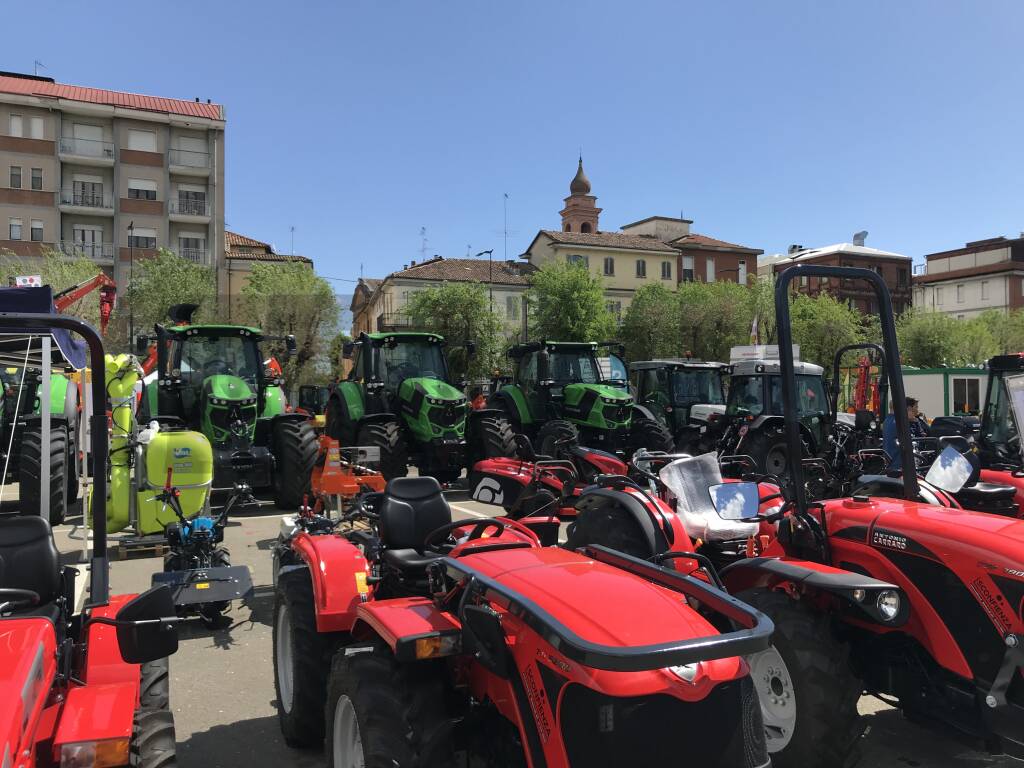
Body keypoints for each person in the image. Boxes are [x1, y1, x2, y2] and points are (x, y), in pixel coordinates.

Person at [883, 396, 927, 472]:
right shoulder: (900, 423)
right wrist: (916, 423)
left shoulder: (887, 421)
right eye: (909, 409)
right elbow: (916, 441)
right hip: (901, 465)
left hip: (891, 462)